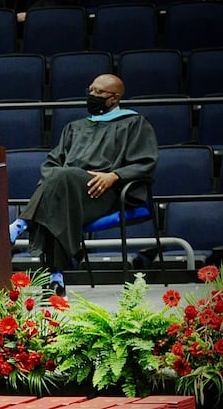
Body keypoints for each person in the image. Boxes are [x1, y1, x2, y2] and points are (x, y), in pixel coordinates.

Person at [8, 74, 158, 296]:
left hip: (107, 194)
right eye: (91, 90)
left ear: (114, 98)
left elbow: (146, 162)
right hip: (70, 192)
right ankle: (55, 278)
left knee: (61, 182)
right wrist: (65, 177)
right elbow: (50, 164)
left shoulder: (134, 124)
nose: (92, 95)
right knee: (61, 183)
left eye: (99, 92)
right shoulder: (74, 127)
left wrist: (114, 176)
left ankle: (21, 225)